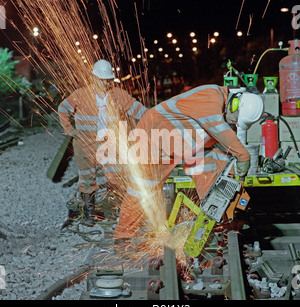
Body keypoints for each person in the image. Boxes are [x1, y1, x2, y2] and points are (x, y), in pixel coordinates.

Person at [113, 84, 263, 250]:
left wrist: (230, 191)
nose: (233, 122)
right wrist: (243, 156)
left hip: (187, 146)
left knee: (212, 183)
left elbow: (223, 156)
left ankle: (218, 226)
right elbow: (224, 135)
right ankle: (123, 237)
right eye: (235, 119)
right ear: (234, 104)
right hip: (153, 136)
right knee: (142, 189)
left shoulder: (224, 117)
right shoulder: (211, 97)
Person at [58, 59, 148, 226]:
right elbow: (62, 109)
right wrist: (70, 131)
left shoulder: (118, 95)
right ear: (93, 77)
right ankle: (90, 213)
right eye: (102, 79)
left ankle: (115, 210)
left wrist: (155, 116)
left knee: (115, 176)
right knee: (87, 177)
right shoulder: (81, 94)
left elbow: (138, 110)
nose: (105, 82)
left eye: (107, 79)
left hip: (109, 142)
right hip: (85, 143)